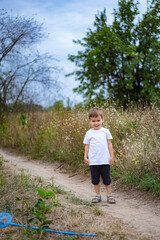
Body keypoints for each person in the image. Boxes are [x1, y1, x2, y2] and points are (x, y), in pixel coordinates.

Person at [83, 107, 116, 204]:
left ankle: (109, 196)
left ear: (102, 120)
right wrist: (85, 156)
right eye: (93, 121)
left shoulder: (105, 131)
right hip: (93, 161)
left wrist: (112, 156)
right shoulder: (89, 133)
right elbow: (87, 146)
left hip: (105, 160)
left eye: (98, 120)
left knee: (107, 179)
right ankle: (97, 196)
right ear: (90, 121)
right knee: (95, 180)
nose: (96, 123)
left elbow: (109, 144)